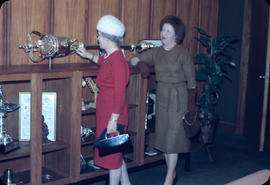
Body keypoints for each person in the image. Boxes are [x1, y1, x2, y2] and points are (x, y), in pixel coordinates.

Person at [130, 15, 197, 185]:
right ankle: (172, 173)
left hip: (179, 97)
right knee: (165, 138)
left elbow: (192, 80)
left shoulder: (182, 52)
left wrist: (191, 104)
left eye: (168, 30)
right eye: (162, 29)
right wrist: (141, 65)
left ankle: (168, 178)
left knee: (173, 139)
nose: (163, 33)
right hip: (162, 97)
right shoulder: (157, 51)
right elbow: (133, 58)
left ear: (176, 34)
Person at [75, 15, 131, 185]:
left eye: (99, 35)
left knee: (112, 160)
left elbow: (120, 93)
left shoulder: (118, 61)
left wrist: (113, 120)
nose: (97, 38)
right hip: (107, 113)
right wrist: (87, 55)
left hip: (114, 115)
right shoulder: (111, 57)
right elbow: (104, 64)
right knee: (115, 153)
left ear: (107, 37)